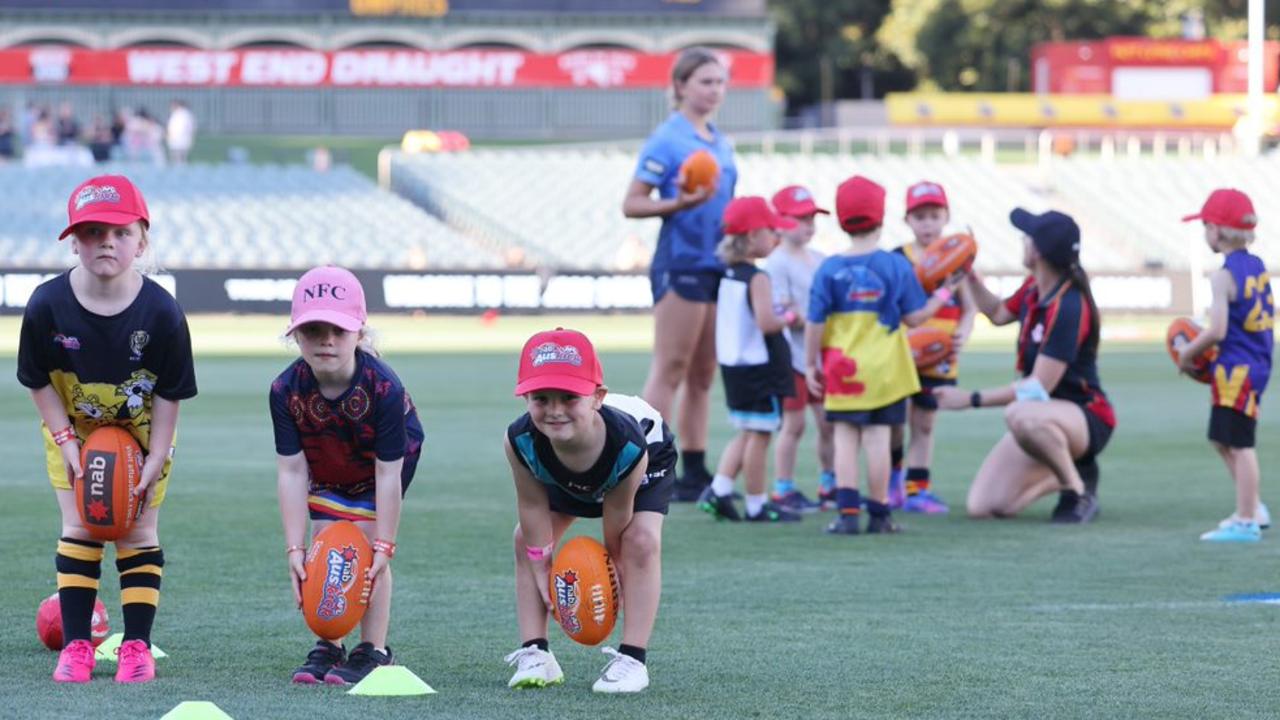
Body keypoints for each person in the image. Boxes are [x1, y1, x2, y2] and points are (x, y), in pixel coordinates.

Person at [17, 175, 197, 683]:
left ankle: (136, 645)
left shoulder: (162, 312)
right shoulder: (48, 304)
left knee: (138, 532)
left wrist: (158, 454)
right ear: (74, 241)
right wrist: (65, 442)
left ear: (142, 239)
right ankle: (77, 646)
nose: (106, 243)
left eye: (120, 232)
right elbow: (36, 381)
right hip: (71, 434)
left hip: (144, 437)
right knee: (80, 528)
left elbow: (169, 392)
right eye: (93, 232)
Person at [270, 266, 424, 685]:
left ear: (359, 332)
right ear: (294, 334)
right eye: (313, 329)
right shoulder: (285, 390)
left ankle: (373, 649)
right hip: (327, 458)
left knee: (365, 545)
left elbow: (388, 474)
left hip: (384, 463)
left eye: (339, 329)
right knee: (325, 542)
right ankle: (330, 641)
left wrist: (385, 545)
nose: (327, 340)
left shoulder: (384, 389)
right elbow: (291, 470)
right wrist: (293, 550)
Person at [503, 328, 676, 693]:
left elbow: (617, 525)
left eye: (569, 397)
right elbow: (532, 504)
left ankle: (632, 660)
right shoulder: (520, 440)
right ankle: (536, 653)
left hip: (639, 462)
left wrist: (615, 572)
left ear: (597, 397)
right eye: (541, 398)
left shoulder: (628, 445)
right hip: (566, 474)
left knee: (639, 542)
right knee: (525, 540)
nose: (554, 410)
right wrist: (541, 564)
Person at [933, 209, 1114, 524]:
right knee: (984, 506)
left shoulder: (1069, 304)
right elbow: (998, 313)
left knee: (1019, 412)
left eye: (1027, 237)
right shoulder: (1035, 288)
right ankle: (1071, 475)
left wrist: (970, 399)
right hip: (1043, 418)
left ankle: (1076, 491)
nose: (1022, 240)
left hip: (1084, 416)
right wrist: (970, 275)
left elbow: (1036, 388)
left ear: (1038, 251)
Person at [805, 176, 960, 536]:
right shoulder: (894, 265)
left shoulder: (827, 269)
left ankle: (847, 515)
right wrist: (944, 293)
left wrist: (811, 362)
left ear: (842, 219)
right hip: (887, 370)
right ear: (881, 217)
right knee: (877, 438)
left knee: (845, 438)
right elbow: (915, 318)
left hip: (844, 369)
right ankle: (879, 515)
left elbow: (815, 322)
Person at [623, 47, 737, 502]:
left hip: (717, 264)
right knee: (670, 367)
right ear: (681, 86)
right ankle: (645, 465)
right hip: (681, 262)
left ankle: (693, 470)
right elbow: (632, 203)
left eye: (720, 82)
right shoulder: (667, 139)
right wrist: (678, 204)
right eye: (705, 81)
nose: (714, 90)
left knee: (704, 374)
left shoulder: (719, 140)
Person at [1178, 189, 1273, 542]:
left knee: (1239, 443)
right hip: (1253, 364)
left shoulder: (1222, 276)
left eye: (1206, 226)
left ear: (1217, 231)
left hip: (1238, 369)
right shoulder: (1257, 266)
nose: (1205, 233)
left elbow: (1216, 330)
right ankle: (1253, 506)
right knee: (1221, 438)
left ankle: (1246, 520)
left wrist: (1188, 353)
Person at [700, 197, 801, 523]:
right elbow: (767, 323)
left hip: (736, 367)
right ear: (754, 235)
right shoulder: (757, 278)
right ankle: (758, 504)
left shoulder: (729, 274)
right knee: (760, 435)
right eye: (772, 231)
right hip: (760, 368)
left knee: (745, 431)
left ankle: (719, 489)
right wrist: (789, 316)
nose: (776, 237)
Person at [888, 181, 976, 514]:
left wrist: (963, 334)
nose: (927, 224)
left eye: (934, 216)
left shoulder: (957, 258)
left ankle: (917, 489)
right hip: (901, 351)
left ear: (946, 217)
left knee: (925, 423)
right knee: (895, 420)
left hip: (940, 355)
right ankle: (892, 480)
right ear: (908, 220)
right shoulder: (898, 259)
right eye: (920, 216)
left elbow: (969, 307)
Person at [765, 185, 836, 512]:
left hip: (821, 355)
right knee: (794, 425)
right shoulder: (776, 262)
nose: (808, 225)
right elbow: (782, 310)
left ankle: (829, 484)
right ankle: (783, 488)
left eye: (811, 218)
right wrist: (808, 318)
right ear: (779, 222)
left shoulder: (819, 259)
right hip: (792, 358)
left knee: (828, 424)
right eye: (800, 218)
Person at [165, 100, 195, 165]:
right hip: (175, 141)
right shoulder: (175, 114)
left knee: (180, 159)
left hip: (180, 140)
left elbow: (183, 129)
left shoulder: (184, 115)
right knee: (175, 159)